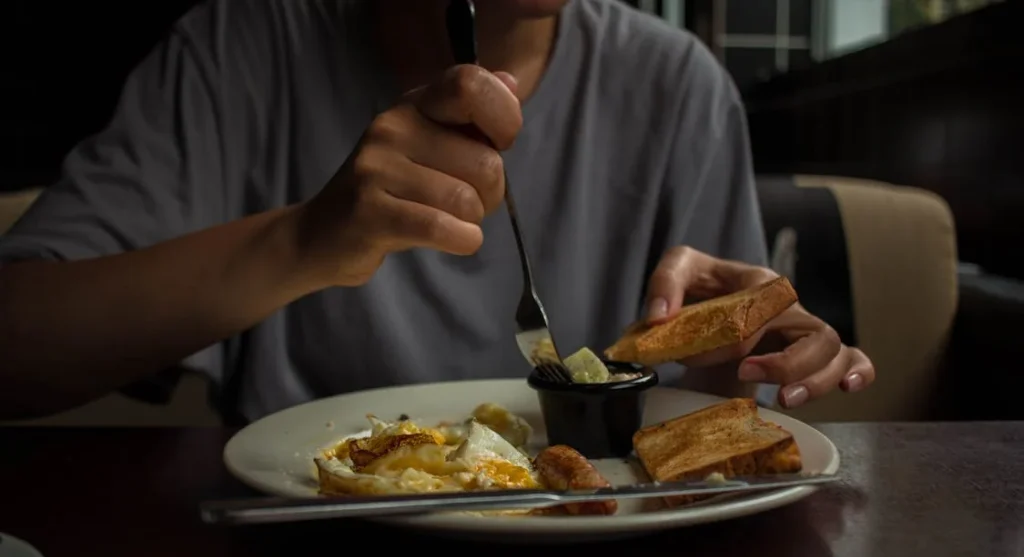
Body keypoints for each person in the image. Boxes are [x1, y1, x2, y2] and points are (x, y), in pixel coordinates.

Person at [0, 0, 874, 423]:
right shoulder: (239, 48)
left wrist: (743, 361)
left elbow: (712, 410)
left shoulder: (680, 88)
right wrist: (302, 240)